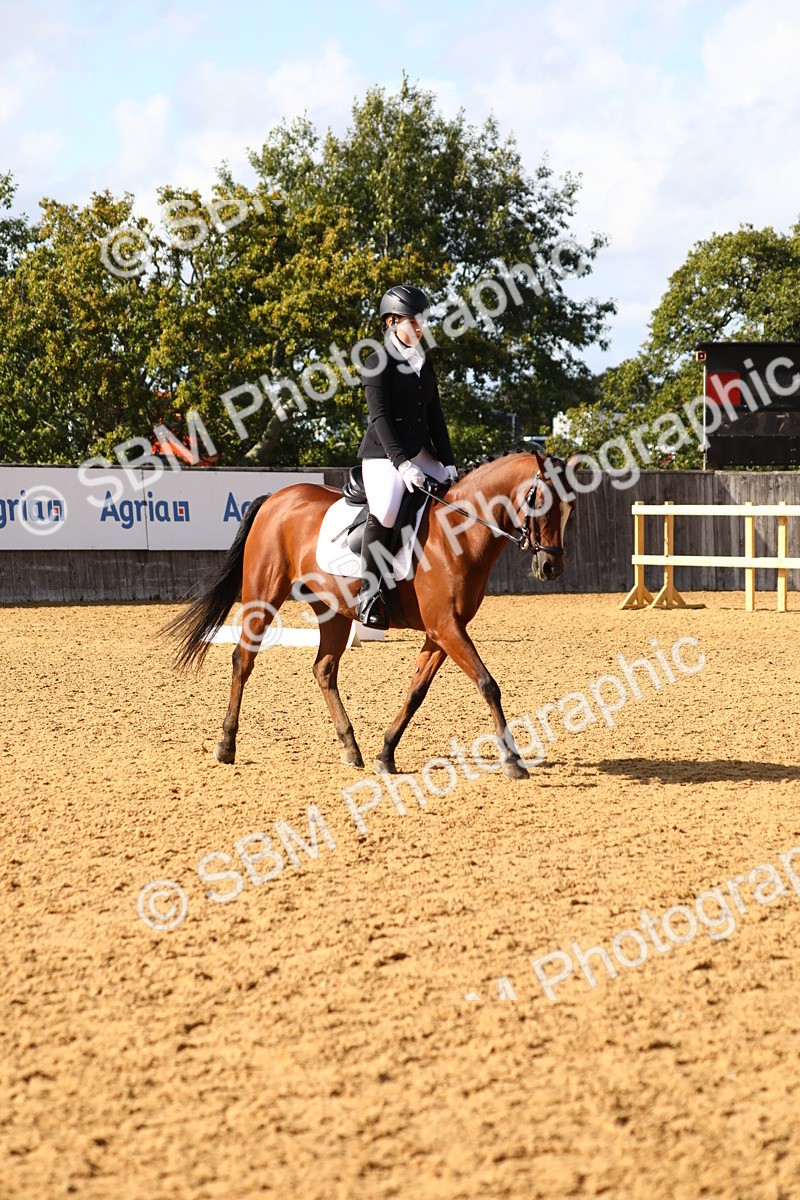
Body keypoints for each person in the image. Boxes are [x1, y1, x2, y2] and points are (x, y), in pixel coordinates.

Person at [355, 283, 458, 628]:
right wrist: (402, 465)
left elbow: (436, 417)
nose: (419, 329)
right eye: (413, 322)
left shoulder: (423, 363)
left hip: (420, 452)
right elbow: (380, 419)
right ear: (391, 322)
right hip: (384, 456)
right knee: (385, 511)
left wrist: (448, 461)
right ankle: (369, 593)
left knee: (456, 497)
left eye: (422, 322)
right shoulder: (376, 361)